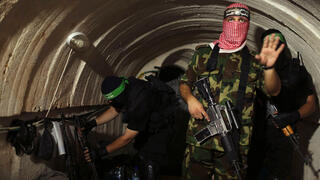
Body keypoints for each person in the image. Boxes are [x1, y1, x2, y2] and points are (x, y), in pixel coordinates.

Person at [179, 3, 285, 179]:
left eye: (242, 20)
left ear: (248, 25)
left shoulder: (252, 61)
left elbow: (273, 91)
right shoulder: (204, 53)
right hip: (200, 138)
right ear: (224, 22)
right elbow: (185, 83)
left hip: (235, 141)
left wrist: (270, 68)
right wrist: (190, 99)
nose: (236, 24)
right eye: (231, 19)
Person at [249, 29, 316, 180]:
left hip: (283, 137)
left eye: (277, 45)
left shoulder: (297, 71)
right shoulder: (254, 69)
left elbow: (311, 104)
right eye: (269, 45)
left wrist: (294, 115)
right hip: (254, 135)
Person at [82, 75, 177, 180]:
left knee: (149, 162)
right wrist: (92, 124)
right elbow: (115, 109)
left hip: (161, 129)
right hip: (148, 125)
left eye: (111, 100)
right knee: (139, 155)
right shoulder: (126, 86)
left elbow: (127, 138)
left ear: (119, 95)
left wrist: (100, 152)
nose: (109, 103)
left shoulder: (139, 102)